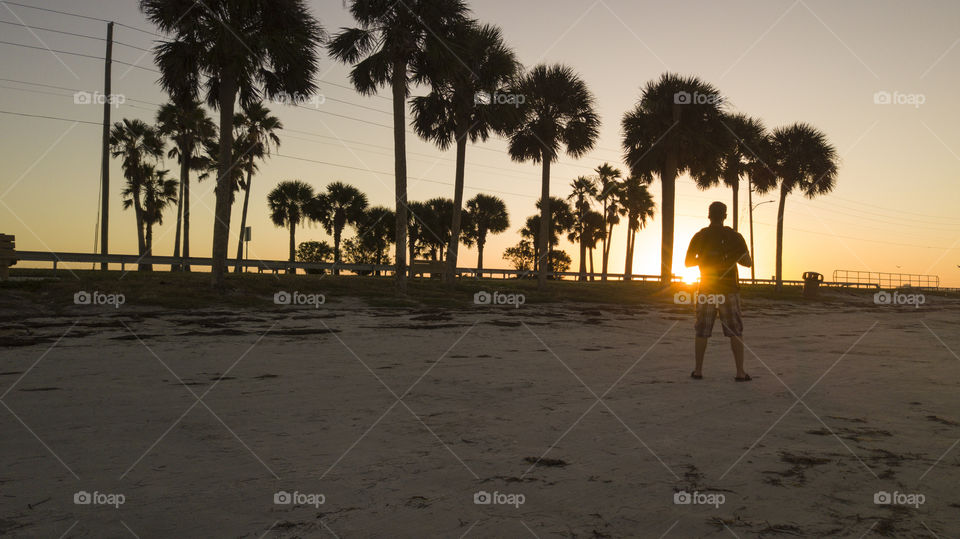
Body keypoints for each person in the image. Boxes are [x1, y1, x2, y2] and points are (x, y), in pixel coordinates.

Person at [684, 202, 753, 381]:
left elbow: (688, 263)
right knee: (735, 331)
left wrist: (705, 258)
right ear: (725, 216)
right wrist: (732, 255)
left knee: (702, 330)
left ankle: (698, 370)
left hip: (706, 289)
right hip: (729, 290)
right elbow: (748, 263)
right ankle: (740, 372)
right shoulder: (735, 237)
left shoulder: (700, 236)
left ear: (709, 215)